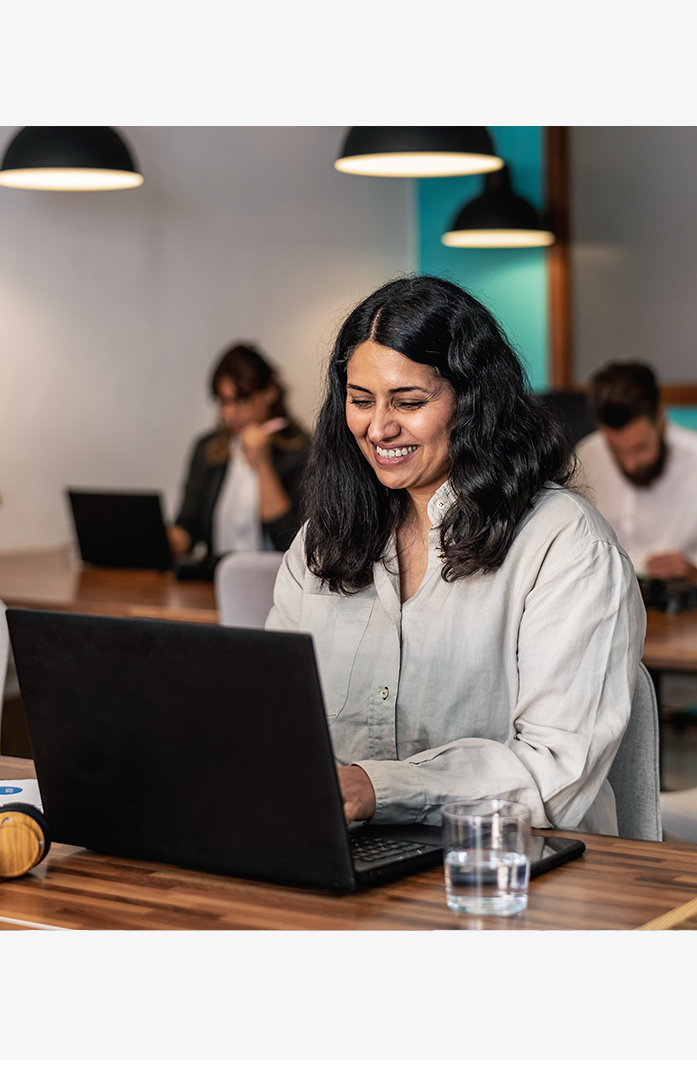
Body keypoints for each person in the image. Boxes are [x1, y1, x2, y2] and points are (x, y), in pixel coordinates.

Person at [266, 276, 645, 835]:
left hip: (518, 872)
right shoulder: (323, 538)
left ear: (473, 401)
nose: (379, 428)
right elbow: (275, 720)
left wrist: (379, 789)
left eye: (409, 402)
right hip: (351, 856)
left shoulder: (565, 545)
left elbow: (554, 775)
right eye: (360, 400)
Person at [576, 361, 697, 591]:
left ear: (660, 419)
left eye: (640, 448)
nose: (629, 464)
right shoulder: (586, 456)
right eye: (616, 450)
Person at [169, 344, 310, 562]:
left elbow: (292, 542)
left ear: (270, 393)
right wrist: (165, 540)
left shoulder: (302, 451)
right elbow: (189, 525)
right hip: (216, 578)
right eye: (223, 401)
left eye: (241, 400)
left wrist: (262, 465)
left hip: (274, 583)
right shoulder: (207, 448)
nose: (230, 413)